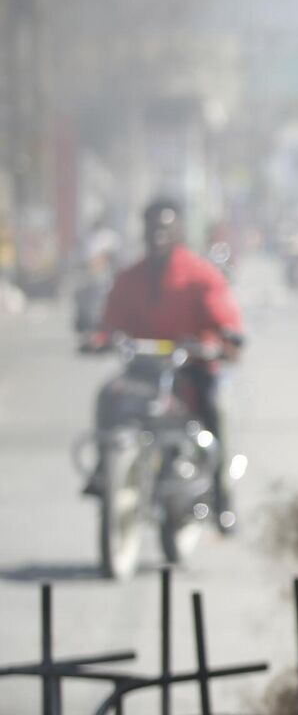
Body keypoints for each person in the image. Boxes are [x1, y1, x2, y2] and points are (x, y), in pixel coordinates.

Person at [87, 198, 246, 530]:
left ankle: (221, 498)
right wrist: (99, 339)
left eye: (166, 227)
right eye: (152, 227)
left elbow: (224, 317)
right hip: (144, 369)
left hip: (191, 368)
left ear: (179, 231)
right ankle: (104, 472)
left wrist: (224, 339)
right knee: (107, 396)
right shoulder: (130, 277)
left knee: (214, 410)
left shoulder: (200, 275)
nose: (158, 234)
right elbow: (110, 321)